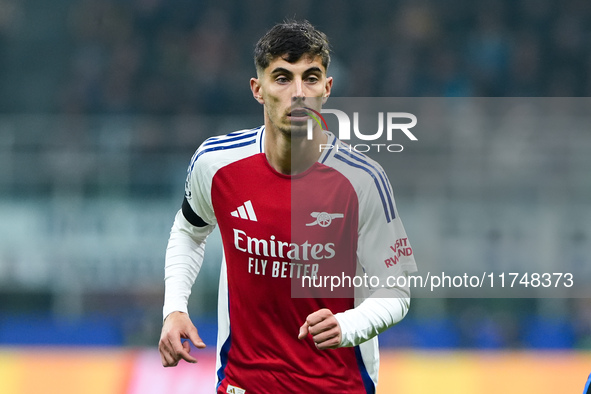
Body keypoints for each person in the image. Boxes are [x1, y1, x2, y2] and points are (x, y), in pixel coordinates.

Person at [158, 20, 417, 393]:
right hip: (244, 382)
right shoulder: (215, 164)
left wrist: (349, 326)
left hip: (338, 385)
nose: (298, 92)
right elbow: (189, 230)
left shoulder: (362, 181)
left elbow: (397, 290)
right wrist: (175, 307)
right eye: (282, 77)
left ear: (326, 89)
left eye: (310, 78)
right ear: (257, 89)